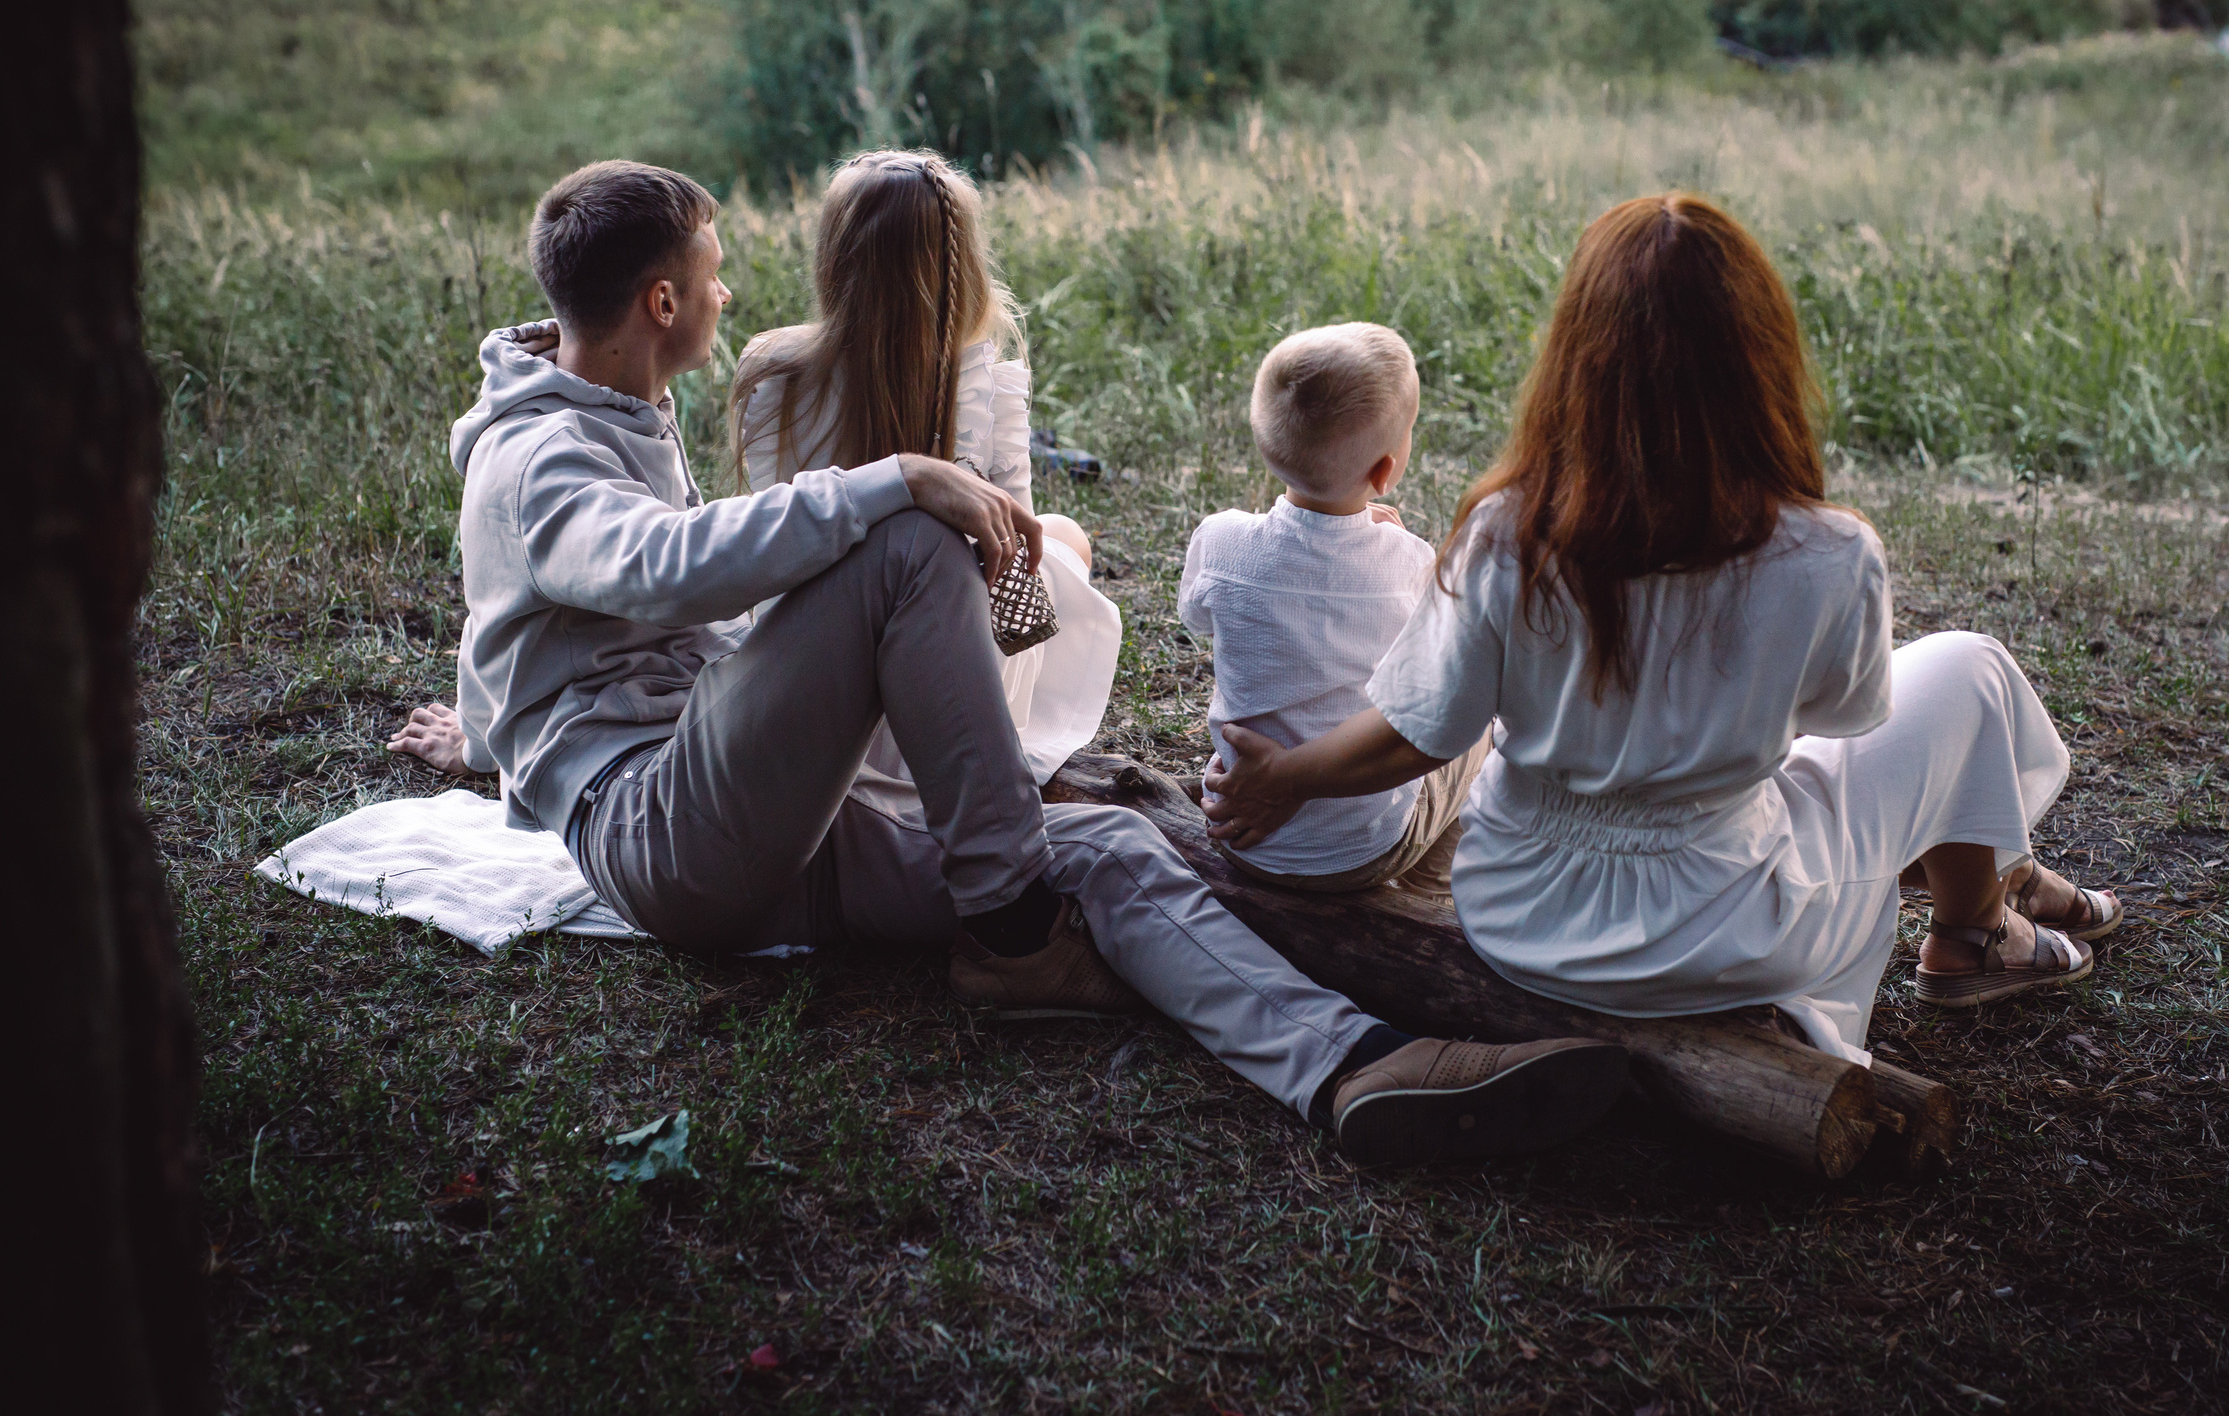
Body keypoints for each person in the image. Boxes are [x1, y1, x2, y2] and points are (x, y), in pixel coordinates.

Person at [397, 157, 1627, 1166]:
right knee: (912, 539)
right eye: (712, 281)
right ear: (662, 302)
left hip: (773, 828)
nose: (727, 299)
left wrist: (496, 730)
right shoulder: (537, 456)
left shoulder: (619, 410)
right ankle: (1012, 924)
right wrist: (900, 475)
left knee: (1101, 845)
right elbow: (645, 568)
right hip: (667, 835)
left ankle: (1351, 1066)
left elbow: (542, 627)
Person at [1204, 192, 2124, 1066]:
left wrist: (1283, 777)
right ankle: (1977, 929)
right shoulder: (1831, 551)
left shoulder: (1507, 527)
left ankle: (2001, 889)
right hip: (1719, 926)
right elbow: (1843, 718)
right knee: (1967, 669)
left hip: (1519, 914)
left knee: (1879, 727)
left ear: (1575, 357)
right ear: (1760, 359)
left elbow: (1417, 734)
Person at [730, 150, 1118, 805]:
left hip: (809, 675)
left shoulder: (773, 371)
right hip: (951, 692)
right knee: (1063, 535)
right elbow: (1015, 547)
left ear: (835, 260)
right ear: (965, 267)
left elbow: (773, 537)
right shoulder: (985, 375)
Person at [1179, 323, 1487, 898]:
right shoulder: (1411, 564)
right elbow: (1431, 671)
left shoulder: (1221, 542)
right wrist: (1400, 549)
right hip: (1362, 847)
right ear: (1385, 471)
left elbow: (1196, 617)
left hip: (1241, 835)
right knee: (1479, 736)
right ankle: (1427, 891)